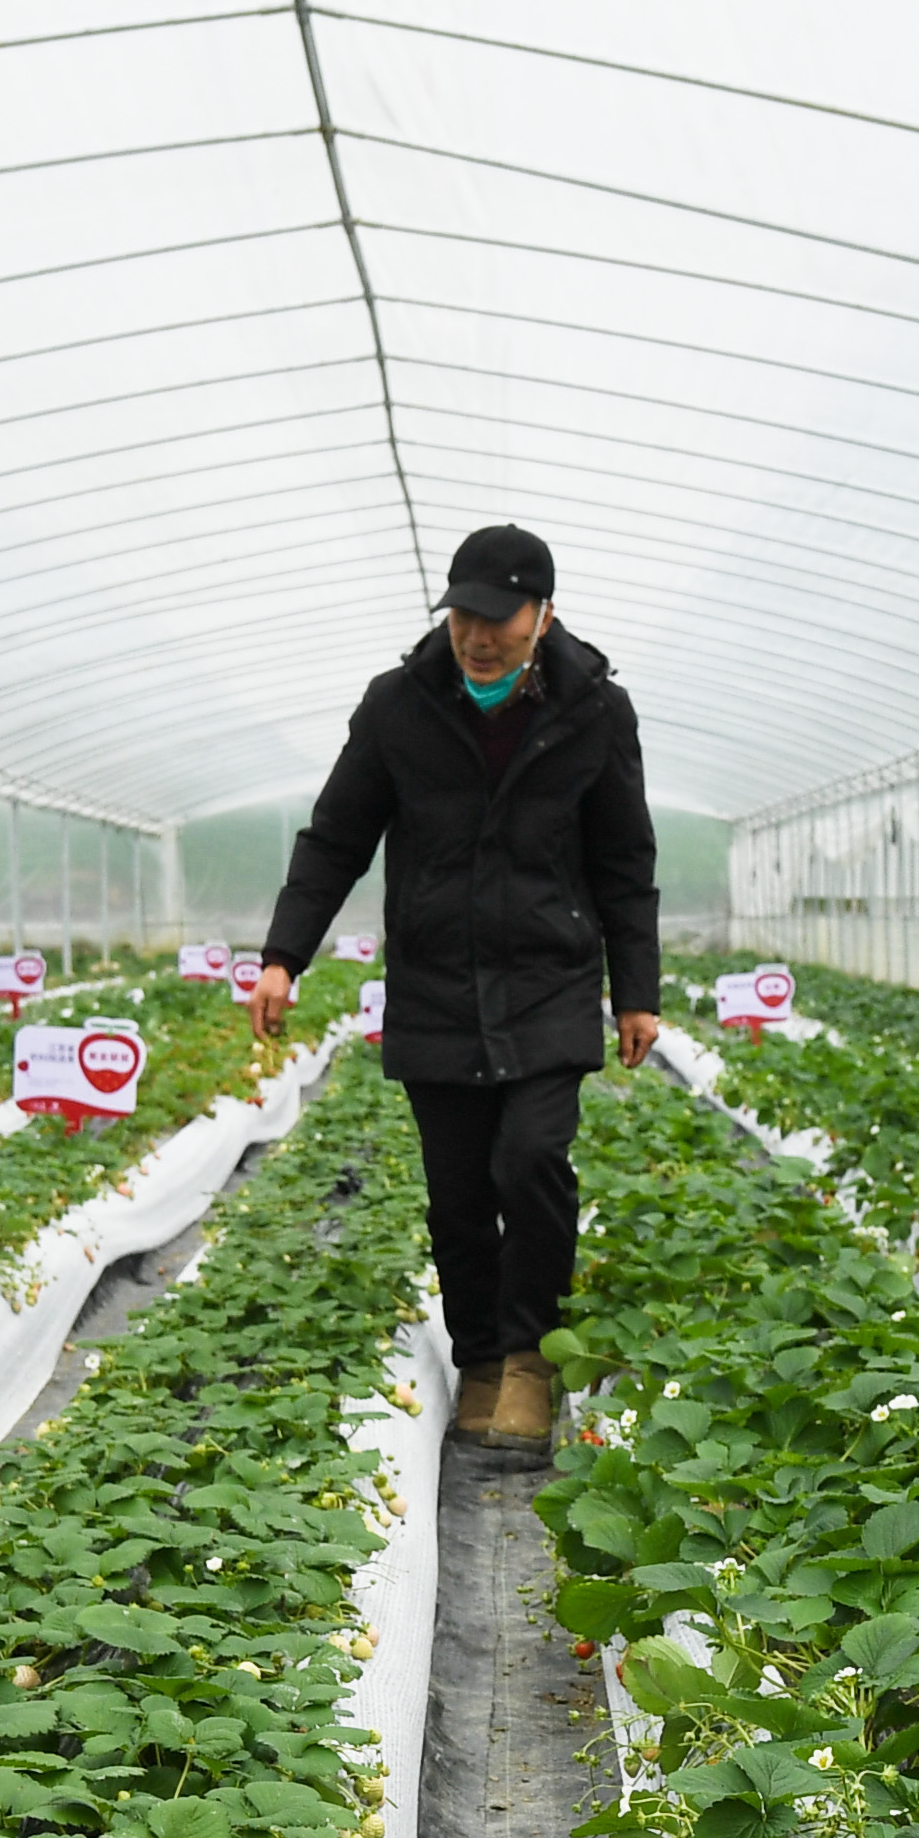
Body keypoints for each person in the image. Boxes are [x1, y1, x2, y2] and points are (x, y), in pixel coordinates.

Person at [244, 522, 662, 1444]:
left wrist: (637, 989)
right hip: (436, 984)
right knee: (460, 1191)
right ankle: (478, 1357)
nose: (478, 637)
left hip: (549, 979)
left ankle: (529, 1358)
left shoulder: (594, 711)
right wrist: (283, 954)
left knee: (531, 1162)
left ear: (543, 616)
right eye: (465, 615)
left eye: (499, 621)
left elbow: (625, 859)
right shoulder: (399, 706)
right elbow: (336, 839)